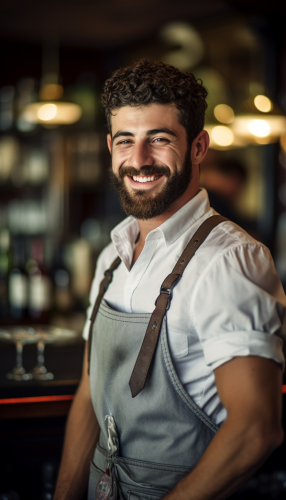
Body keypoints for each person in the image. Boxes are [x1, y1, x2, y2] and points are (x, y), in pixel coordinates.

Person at [53, 59, 285, 500]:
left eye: (159, 140)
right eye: (126, 141)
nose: (138, 160)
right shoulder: (110, 257)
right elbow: (90, 391)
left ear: (198, 147)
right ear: (110, 146)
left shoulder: (231, 260)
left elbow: (256, 429)